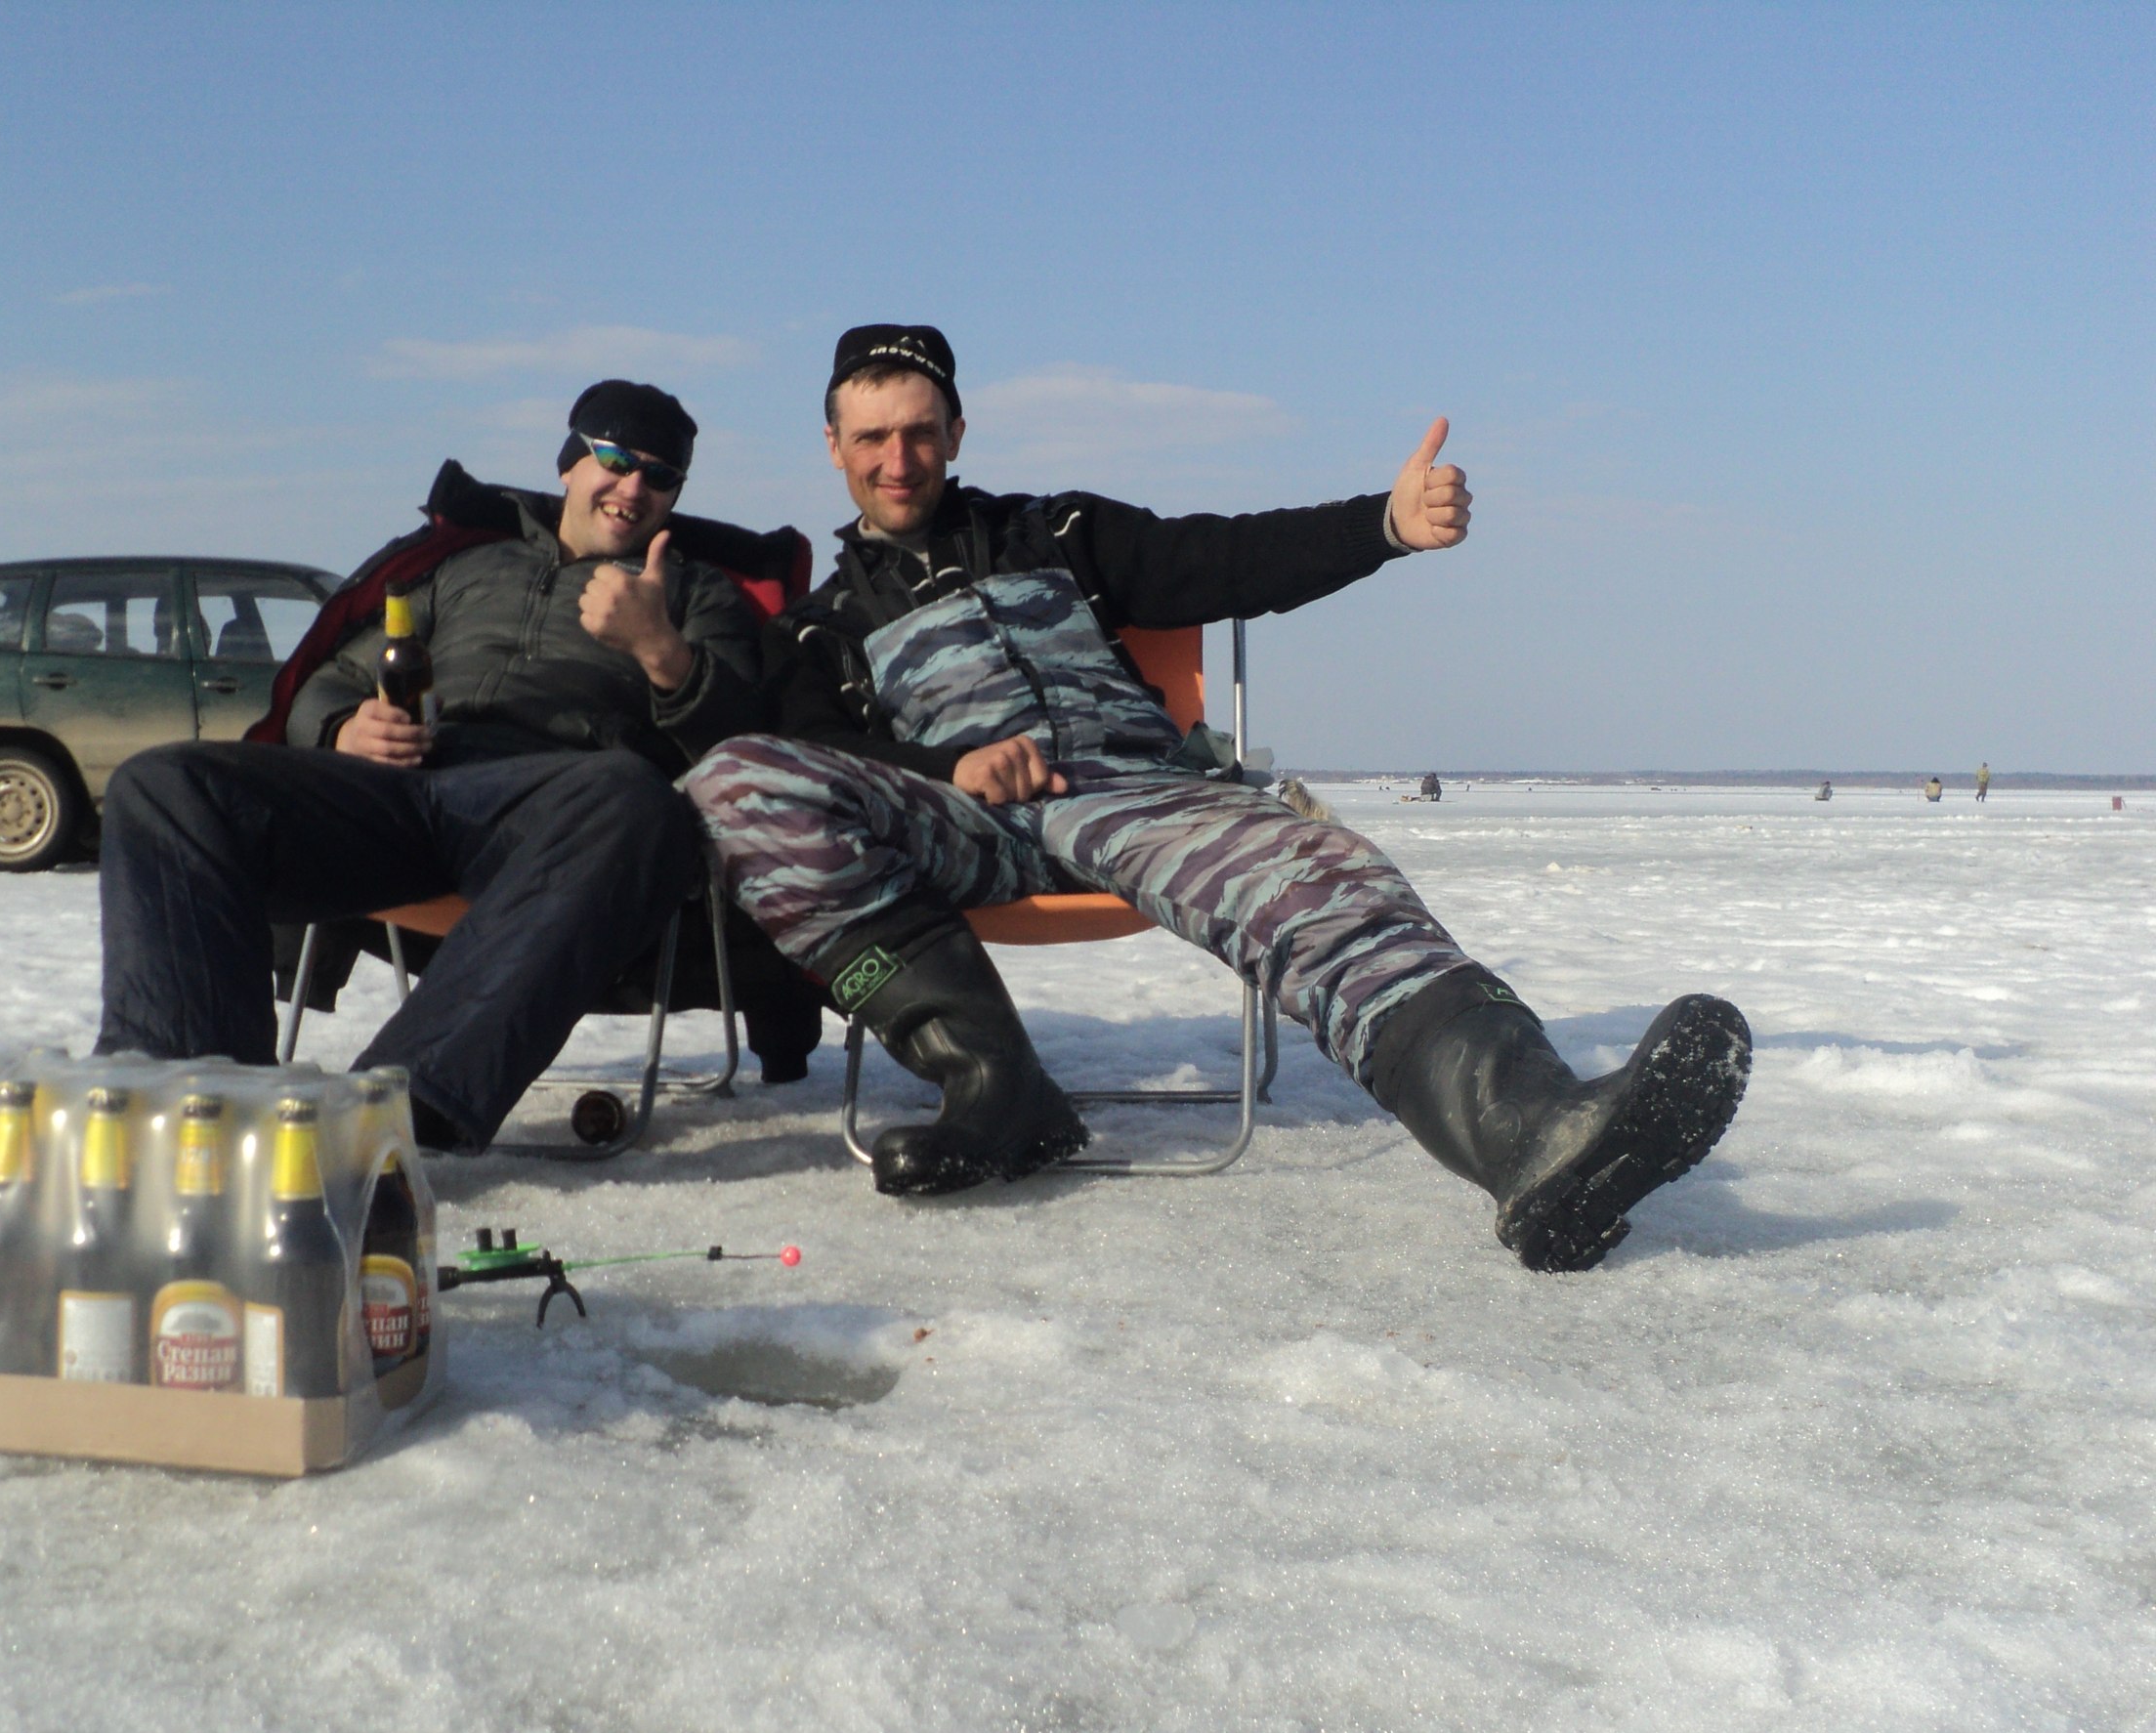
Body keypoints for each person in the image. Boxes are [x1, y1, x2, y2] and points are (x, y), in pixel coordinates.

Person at [682, 325, 1752, 1271]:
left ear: (956, 433)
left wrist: (1381, 523)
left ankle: (1529, 1133)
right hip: (967, 826)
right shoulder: (822, 627)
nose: (897, 459)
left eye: (919, 432)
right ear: (834, 447)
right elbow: (814, 749)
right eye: (872, 438)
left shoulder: (1058, 533)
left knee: (1315, 877)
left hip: (1135, 797)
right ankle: (992, 1086)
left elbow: (1225, 558)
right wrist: (945, 768)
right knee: (736, 781)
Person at [96, 380, 773, 1151]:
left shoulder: (692, 594)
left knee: (631, 795)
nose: (634, 487)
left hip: (556, 809)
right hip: (401, 790)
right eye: (616, 460)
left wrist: (660, 648)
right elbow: (336, 676)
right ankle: (188, 1095)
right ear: (569, 463)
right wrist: (344, 727)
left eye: (661, 475)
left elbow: (744, 739)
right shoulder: (461, 568)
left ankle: (389, 1114)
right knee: (164, 785)